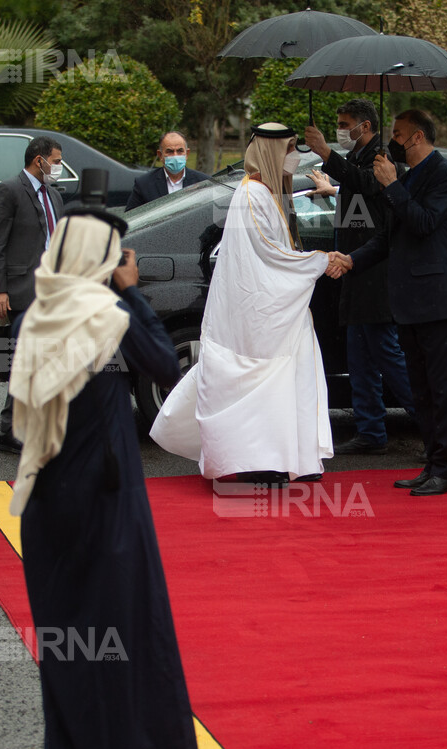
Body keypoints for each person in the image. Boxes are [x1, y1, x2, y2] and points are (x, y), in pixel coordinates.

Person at [10, 206, 222, 749]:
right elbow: (165, 364)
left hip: (48, 503)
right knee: (136, 640)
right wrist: (131, 294)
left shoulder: (36, 311)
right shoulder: (110, 314)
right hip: (104, 505)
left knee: (72, 643)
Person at [150, 123, 333, 484]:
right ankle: (257, 464)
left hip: (276, 309)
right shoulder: (252, 196)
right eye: (290, 149)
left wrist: (311, 259)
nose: (295, 157)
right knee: (257, 387)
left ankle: (293, 458)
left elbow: (279, 251)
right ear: (271, 152)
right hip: (256, 315)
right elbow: (268, 253)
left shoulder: (268, 193)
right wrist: (320, 261)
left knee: (288, 382)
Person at [329, 110, 447, 496]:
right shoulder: (408, 178)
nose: (393, 141)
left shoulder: (445, 176)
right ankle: (432, 462)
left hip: (437, 301)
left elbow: (423, 224)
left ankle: (446, 469)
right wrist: (353, 260)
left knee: (440, 388)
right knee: (420, 388)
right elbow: (389, 238)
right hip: (405, 300)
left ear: (417, 137)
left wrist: (391, 186)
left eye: (399, 135)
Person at [304, 100, 416, 457]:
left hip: (376, 275)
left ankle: (432, 427)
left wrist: (325, 152)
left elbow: (369, 186)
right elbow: (356, 194)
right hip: (353, 272)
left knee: (389, 359)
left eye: (344, 123)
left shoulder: (382, 159)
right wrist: (332, 187)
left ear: (365, 126)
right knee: (360, 361)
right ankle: (371, 430)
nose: (340, 129)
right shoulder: (355, 156)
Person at [0, 136, 65, 453]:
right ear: (39, 160)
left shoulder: (54, 196)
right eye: (56, 161)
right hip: (21, 290)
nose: (58, 167)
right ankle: (10, 429)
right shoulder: (9, 190)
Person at [125, 131, 211, 210]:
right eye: (169, 151)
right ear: (160, 155)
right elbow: (131, 219)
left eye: (180, 151)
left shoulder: (203, 182)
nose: (175, 155)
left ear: (187, 154)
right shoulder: (144, 184)